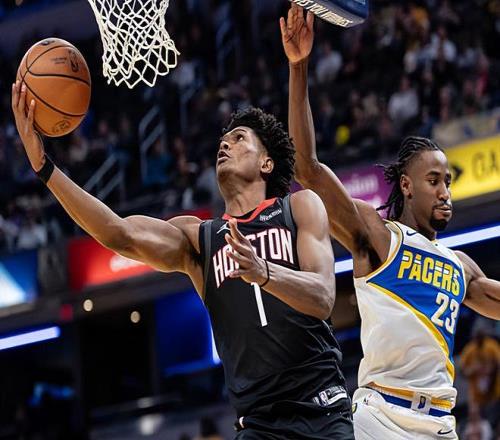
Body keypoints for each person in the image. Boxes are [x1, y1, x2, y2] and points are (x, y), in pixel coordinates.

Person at [11, 81, 354, 439]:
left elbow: (323, 297)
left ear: (266, 162)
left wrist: (263, 271)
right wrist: (44, 168)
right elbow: (118, 233)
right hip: (259, 425)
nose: (224, 144)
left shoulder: (298, 208)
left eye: (239, 139)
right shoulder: (198, 239)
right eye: (223, 141)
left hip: (321, 408)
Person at [280, 4, 500, 439]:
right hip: (380, 418)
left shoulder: (460, 267)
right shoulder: (378, 236)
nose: (445, 191)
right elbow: (307, 169)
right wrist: (299, 67)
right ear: (406, 185)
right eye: (434, 181)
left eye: (448, 181)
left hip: (440, 423)